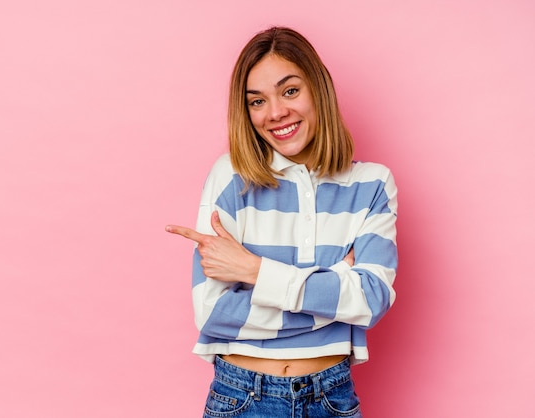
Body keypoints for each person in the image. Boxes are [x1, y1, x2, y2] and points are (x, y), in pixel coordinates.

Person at [166, 26, 397, 418]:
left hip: (332, 398)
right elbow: (213, 314)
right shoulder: (231, 177)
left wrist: (254, 271)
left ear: (318, 89)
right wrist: (336, 288)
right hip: (242, 396)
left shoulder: (372, 184)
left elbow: (372, 300)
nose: (275, 113)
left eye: (290, 91)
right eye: (257, 101)